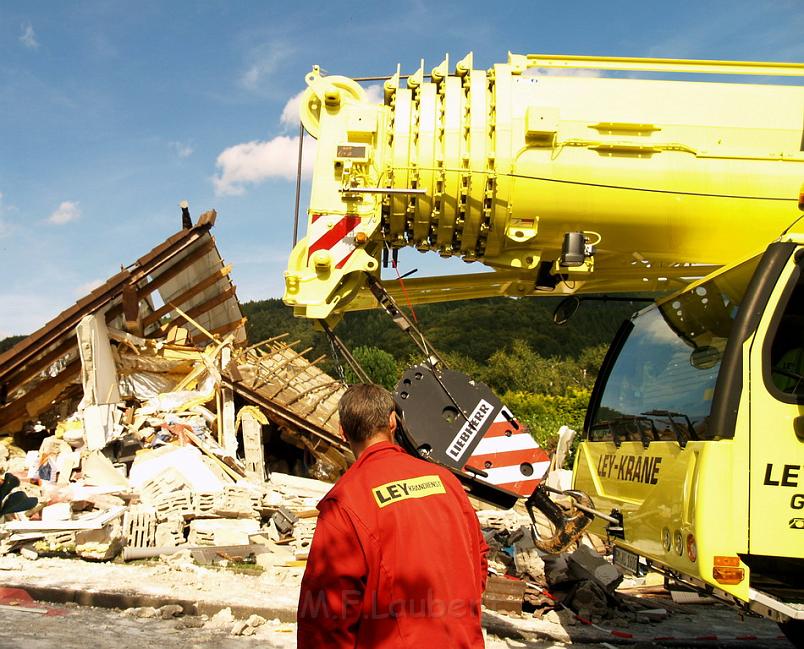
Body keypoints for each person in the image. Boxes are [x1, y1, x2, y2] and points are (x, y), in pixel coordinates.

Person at [297, 383, 489, 648]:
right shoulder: (446, 482)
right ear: (392, 422)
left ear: (342, 432)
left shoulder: (344, 502)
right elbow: (478, 559)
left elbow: (325, 618)